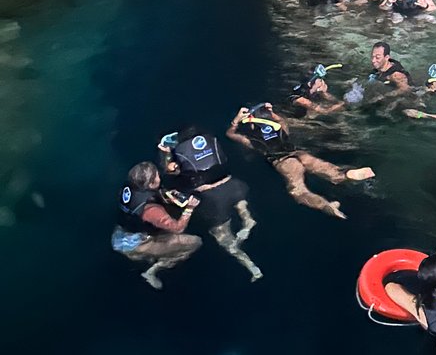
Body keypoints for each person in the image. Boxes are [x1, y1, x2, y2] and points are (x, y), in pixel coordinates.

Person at [225, 103, 374, 220]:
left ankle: (326, 206)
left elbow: (230, 134)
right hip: (299, 154)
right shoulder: (281, 127)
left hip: (285, 162)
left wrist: (236, 121)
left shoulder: (252, 140)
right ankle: (347, 174)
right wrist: (271, 112)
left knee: (298, 192)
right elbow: (280, 119)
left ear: (253, 123)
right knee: (331, 172)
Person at [159, 125, 262, 282]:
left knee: (225, 238)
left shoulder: (180, 152)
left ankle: (252, 267)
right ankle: (248, 221)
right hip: (233, 185)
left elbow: (169, 170)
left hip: (211, 197)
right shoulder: (211, 141)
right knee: (242, 206)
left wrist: (165, 154)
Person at [111, 161, 203, 290]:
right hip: (134, 244)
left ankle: (151, 254)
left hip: (122, 232)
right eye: (157, 176)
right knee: (195, 243)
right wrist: (190, 208)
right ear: (150, 184)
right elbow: (178, 228)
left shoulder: (130, 186)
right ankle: (152, 270)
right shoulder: (151, 210)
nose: (160, 176)